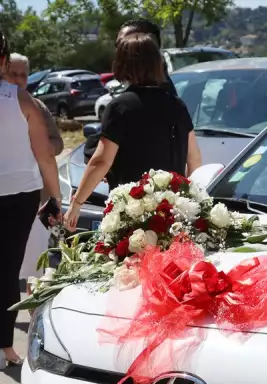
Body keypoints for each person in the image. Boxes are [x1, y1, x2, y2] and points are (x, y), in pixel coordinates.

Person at [65, 33, 201, 231]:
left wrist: (76, 204)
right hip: (171, 216)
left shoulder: (120, 107)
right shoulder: (177, 105)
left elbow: (101, 161)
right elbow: (195, 160)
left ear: (123, 65)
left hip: (131, 214)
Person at [0, 29, 61, 365]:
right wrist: (56, 196)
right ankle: (4, 347)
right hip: (18, 193)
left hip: (18, 192)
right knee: (7, 270)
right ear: (4, 61)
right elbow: (45, 156)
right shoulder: (20, 100)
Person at [3, 53, 64, 287]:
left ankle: (32, 316)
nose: (18, 80)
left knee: (36, 263)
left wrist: (37, 147)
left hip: (39, 197)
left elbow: (56, 144)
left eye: (23, 75)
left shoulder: (35, 106)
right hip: (11, 195)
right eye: (13, 74)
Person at [84, 19, 176, 164]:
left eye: (123, 45)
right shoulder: (156, 93)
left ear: (145, 45)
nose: (118, 51)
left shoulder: (160, 97)